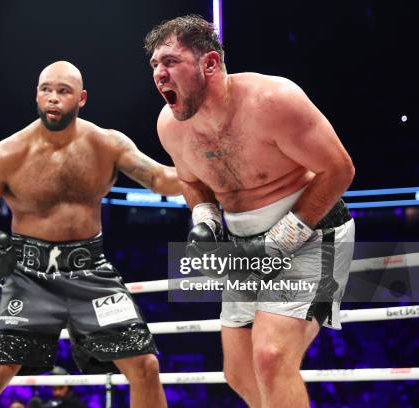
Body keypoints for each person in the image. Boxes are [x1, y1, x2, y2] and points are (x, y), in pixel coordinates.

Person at [145, 15, 355, 408]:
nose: (159, 73)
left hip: (312, 232)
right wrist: (205, 218)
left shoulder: (273, 100)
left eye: (170, 61)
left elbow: (340, 169)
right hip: (243, 244)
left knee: (271, 356)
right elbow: (191, 179)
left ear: (209, 63)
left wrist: (283, 238)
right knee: (239, 371)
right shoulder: (170, 127)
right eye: (154, 65)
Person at [0, 60, 180, 408]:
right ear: (37, 95)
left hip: (92, 274)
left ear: (81, 98)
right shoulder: (7, 154)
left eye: (63, 91)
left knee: (144, 366)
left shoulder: (107, 144)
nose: (53, 98)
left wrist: (211, 170)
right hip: (29, 276)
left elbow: (160, 179)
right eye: (46, 90)